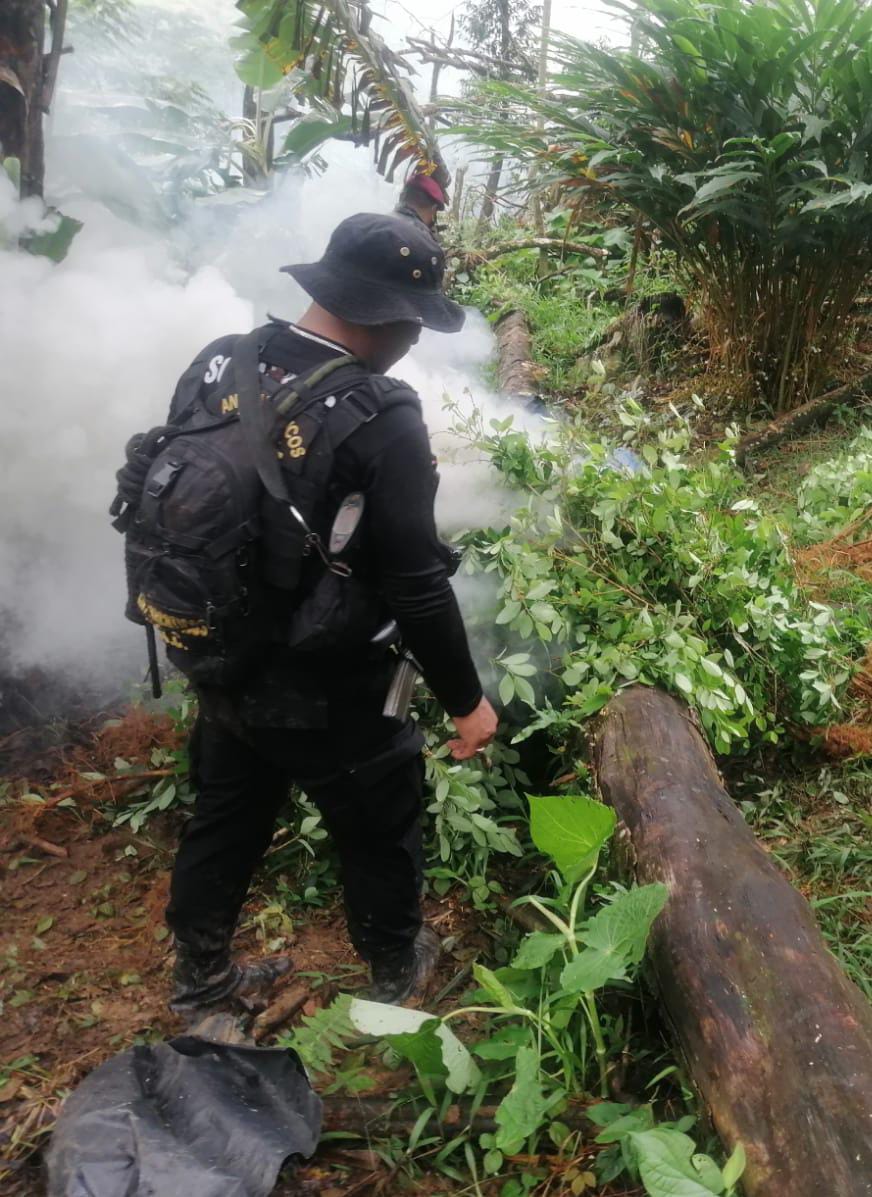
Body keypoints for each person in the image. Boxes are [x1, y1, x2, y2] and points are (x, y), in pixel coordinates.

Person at [138, 213, 497, 1020]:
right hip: (328, 682)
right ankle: (395, 972)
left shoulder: (221, 359)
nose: (414, 339)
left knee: (226, 815)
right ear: (384, 316)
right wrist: (467, 701)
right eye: (413, 322)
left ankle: (201, 979)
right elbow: (418, 583)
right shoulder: (382, 413)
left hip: (220, 654)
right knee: (378, 824)